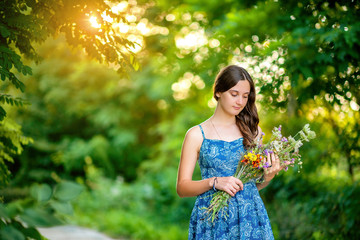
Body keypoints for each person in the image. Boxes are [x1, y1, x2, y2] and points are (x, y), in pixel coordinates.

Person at [176, 65, 284, 239]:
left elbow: (251, 186)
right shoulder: (196, 134)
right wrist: (214, 182)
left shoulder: (253, 133)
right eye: (234, 94)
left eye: (245, 96)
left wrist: (268, 177)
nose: (240, 101)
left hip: (250, 219)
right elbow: (182, 188)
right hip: (212, 219)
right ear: (219, 91)